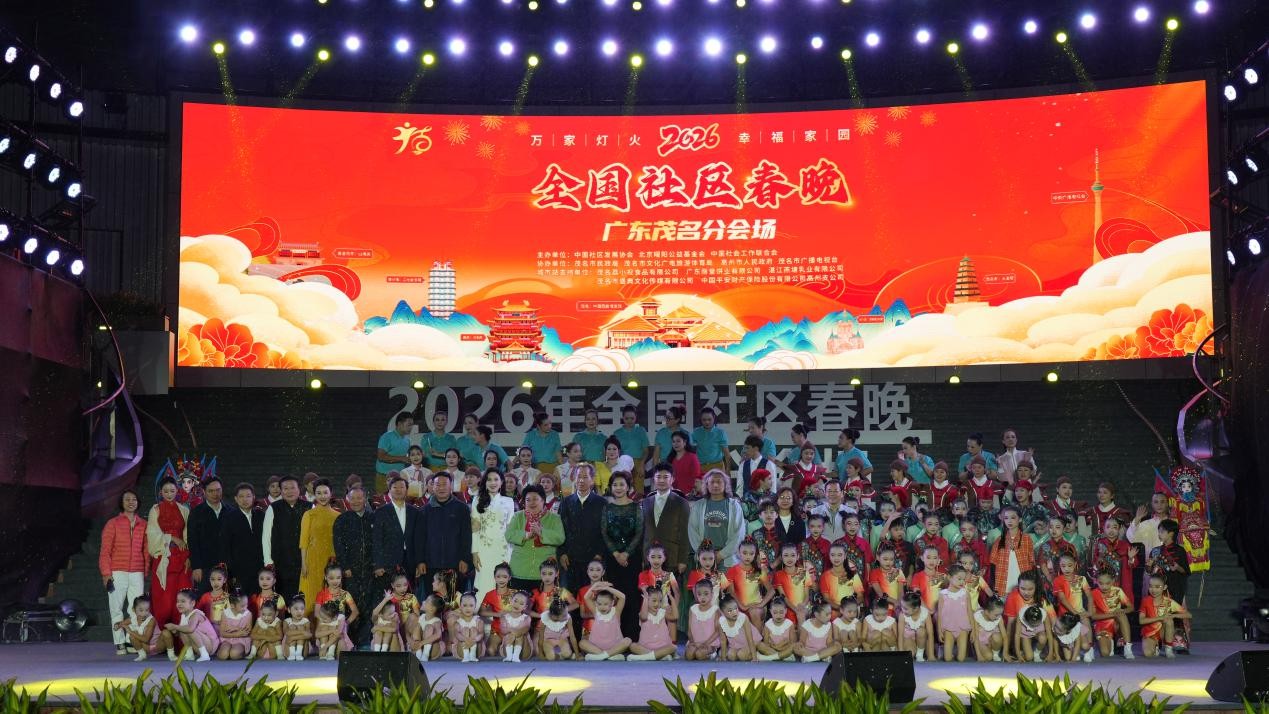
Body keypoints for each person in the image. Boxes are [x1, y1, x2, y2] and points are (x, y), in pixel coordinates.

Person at [100, 489, 148, 655]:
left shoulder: (143, 524)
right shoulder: (112, 523)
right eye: (127, 499)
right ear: (121, 503)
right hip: (117, 571)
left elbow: (146, 550)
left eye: (134, 499)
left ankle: (130, 640)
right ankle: (119, 642)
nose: (131, 502)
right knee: (116, 608)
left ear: (138, 502)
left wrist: (145, 570)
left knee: (136, 609)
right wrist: (106, 574)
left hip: (137, 572)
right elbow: (105, 551)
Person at [601, 472, 644, 637]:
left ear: (628, 487)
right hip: (612, 559)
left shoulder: (636, 507)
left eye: (621, 484)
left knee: (632, 595)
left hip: (632, 559)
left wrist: (626, 553)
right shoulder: (607, 508)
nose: (618, 488)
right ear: (611, 487)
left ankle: (631, 636)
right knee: (614, 595)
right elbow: (604, 533)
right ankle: (614, 636)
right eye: (615, 485)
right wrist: (616, 553)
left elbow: (639, 533)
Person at [147, 477, 193, 627]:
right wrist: (172, 538)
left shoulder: (184, 510)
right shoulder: (155, 510)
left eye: (172, 491)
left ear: (177, 491)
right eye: (165, 491)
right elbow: (152, 535)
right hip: (164, 557)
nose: (169, 494)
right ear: (160, 492)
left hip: (182, 557)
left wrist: (189, 556)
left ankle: (183, 635)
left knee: (183, 597)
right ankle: (164, 634)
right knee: (165, 601)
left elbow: (188, 536)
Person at [332, 485, 375, 645]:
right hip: (351, 570)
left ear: (365, 498)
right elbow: (338, 545)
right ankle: (350, 640)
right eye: (352, 498)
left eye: (359, 498)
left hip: (370, 569)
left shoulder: (373, 517)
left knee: (368, 602)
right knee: (352, 604)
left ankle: (365, 640)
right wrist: (345, 567)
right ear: (347, 500)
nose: (356, 501)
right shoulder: (342, 519)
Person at [415, 471, 473, 584]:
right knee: (432, 595)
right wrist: (420, 561)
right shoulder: (424, 511)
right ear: (433, 487)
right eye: (437, 484)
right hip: (430, 565)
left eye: (444, 484)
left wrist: (465, 559)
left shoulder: (462, 509)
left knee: (455, 595)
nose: (441, 488)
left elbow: (466, 537)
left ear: (451, 486)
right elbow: (419, 539)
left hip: (456, 564)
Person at [505, 484, 566, 592]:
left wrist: (541, 532)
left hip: (545, 573)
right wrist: (526, 535)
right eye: (528, 500)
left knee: (544, 603)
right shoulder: (518, 516)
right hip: (519, 570)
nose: (531, 503)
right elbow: (509, 535)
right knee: (518, 602)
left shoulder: (554, 518)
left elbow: (560, 538)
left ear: (543, 500)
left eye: (535, 499)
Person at [261, 475, 312, 598]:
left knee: (304, 596)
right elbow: (266, 536)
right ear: (281, 490)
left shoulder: (309, 507)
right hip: (280, 562)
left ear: (299, 489)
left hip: (304, 561)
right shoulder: (273, 508)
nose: (289, 491)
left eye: (292, 488)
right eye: (285, 488)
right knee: (282, 597)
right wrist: (268, 561)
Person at [559, 464, 607, 591]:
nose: (581, 480)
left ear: (592, 480)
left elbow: (605, 531)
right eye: (578, 476)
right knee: (569, 597)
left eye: (585, 477)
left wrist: (600, 553)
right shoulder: (566, 502)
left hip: (593, 559)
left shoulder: (602, 503)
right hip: (570, 558)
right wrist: (562, 553)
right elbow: (560, 530)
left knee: (590, 596)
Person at [472, 468, 516, 602]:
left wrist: (510, 553)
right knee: (484, 583)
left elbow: (510, 529)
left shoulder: (509, 501)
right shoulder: (477, 500)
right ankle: (482, 613)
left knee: (501, 583)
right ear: (484, 483)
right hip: (483, 550)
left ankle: (500, 613)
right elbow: (475, 529)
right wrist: (474, 552)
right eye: (489, 480)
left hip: (503, 549)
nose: (493, 483)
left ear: (501, 482)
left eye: (496, 479)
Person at [642, 462, 691, 576]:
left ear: (672, 479)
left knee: (670, 588)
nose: (661, 480)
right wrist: (643, 557)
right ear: (653, 479)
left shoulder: (681, 503)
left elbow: (685, 533)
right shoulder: (646, 502)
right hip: (649, 557)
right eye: (658, 477)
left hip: (672, 557)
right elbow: (643, 532)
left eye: (665, 477)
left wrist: (682, 560)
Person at [689, 470, 746, 567]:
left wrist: (721, 555)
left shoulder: (734, 506)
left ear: (726, 484)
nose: (715, 485)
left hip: (728, 559)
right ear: (706, 485)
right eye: (712, 482)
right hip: (704, 559)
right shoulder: (698, 505)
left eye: (719, 482)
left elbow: (739, 534)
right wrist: (705, 554)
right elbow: (693, 532)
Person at [298, 479, 339, 613]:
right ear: (314, 494)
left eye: (325, 492)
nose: (322, 496)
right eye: (319, 493)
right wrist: (304, 564)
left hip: (331, 560)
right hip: (313, 560)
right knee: (312, 595)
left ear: (331, 493)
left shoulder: (338, 516)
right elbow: (303, 541)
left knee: (330, 595)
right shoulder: (309, 514)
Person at [372, 476, 420, 585]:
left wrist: (418, 563)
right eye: (395, 487)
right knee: (389, 593)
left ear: (406, 490)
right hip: (388, 563)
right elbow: (377, 540)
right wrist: (378, 564)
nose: (398, 490)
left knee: (409, 592)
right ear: (389, 490)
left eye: (402, 487)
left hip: (410, 562)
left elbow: (418, 540)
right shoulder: (381, 512)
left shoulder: (415, 512)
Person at [220, 483, 265, 594]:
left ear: (253, 497)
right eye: (241, 496)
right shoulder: (228, 517)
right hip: (239, 569)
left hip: (260, 568)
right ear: (236, 498)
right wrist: (230, 572)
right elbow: (225, 546)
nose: (245, 499)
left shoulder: (261, 515)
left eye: (248, 496)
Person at [187, 477, 226, 596]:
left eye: (218, 490)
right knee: (203, 600)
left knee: (225, 600)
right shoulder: (196, 512)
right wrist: (196, 566)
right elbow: (192, 540)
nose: (215, 494)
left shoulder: (230, 511)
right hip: (204, 567)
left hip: (225, 567)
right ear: (204, 492)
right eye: (211, 491)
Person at [612, 405, 651, 492]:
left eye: (632, 418)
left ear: (636, 417)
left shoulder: (641, 431)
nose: (629, 421)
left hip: (638, 464)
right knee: (623, 489)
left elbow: (646, 451)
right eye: (627, 418)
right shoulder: (617, 433)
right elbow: (614, 453)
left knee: (638, 492)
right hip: (622, 464)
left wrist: (642, 464)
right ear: (623, 418)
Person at [376, 412, 415, 493]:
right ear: (399, 424)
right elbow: (381, 457)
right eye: (409, 425)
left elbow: (405, 459)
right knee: (382, 499)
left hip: (399, 477)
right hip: (384, 476)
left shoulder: (407, 440)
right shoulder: (387, 437)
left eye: (412, 425)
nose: (411, 427)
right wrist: (401, 458)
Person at [692, 407, 730, 473]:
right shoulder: (696, 432)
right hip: (701, 467)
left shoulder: (720, 433)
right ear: (701, 419)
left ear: (714, 418)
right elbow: (691, 451)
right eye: (704, 420)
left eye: (709, 419)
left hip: (717, 466)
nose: (707, 422)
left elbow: (726, 453)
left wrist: (728, 469)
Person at [668, 431, 702, 495]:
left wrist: (693, 491)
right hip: (674, 493)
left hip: (690, 494)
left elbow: (696, 476)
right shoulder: (670, 458)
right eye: (673, 441)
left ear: (685, 442)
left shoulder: (692, 457)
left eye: (678, 441)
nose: (675, 444)